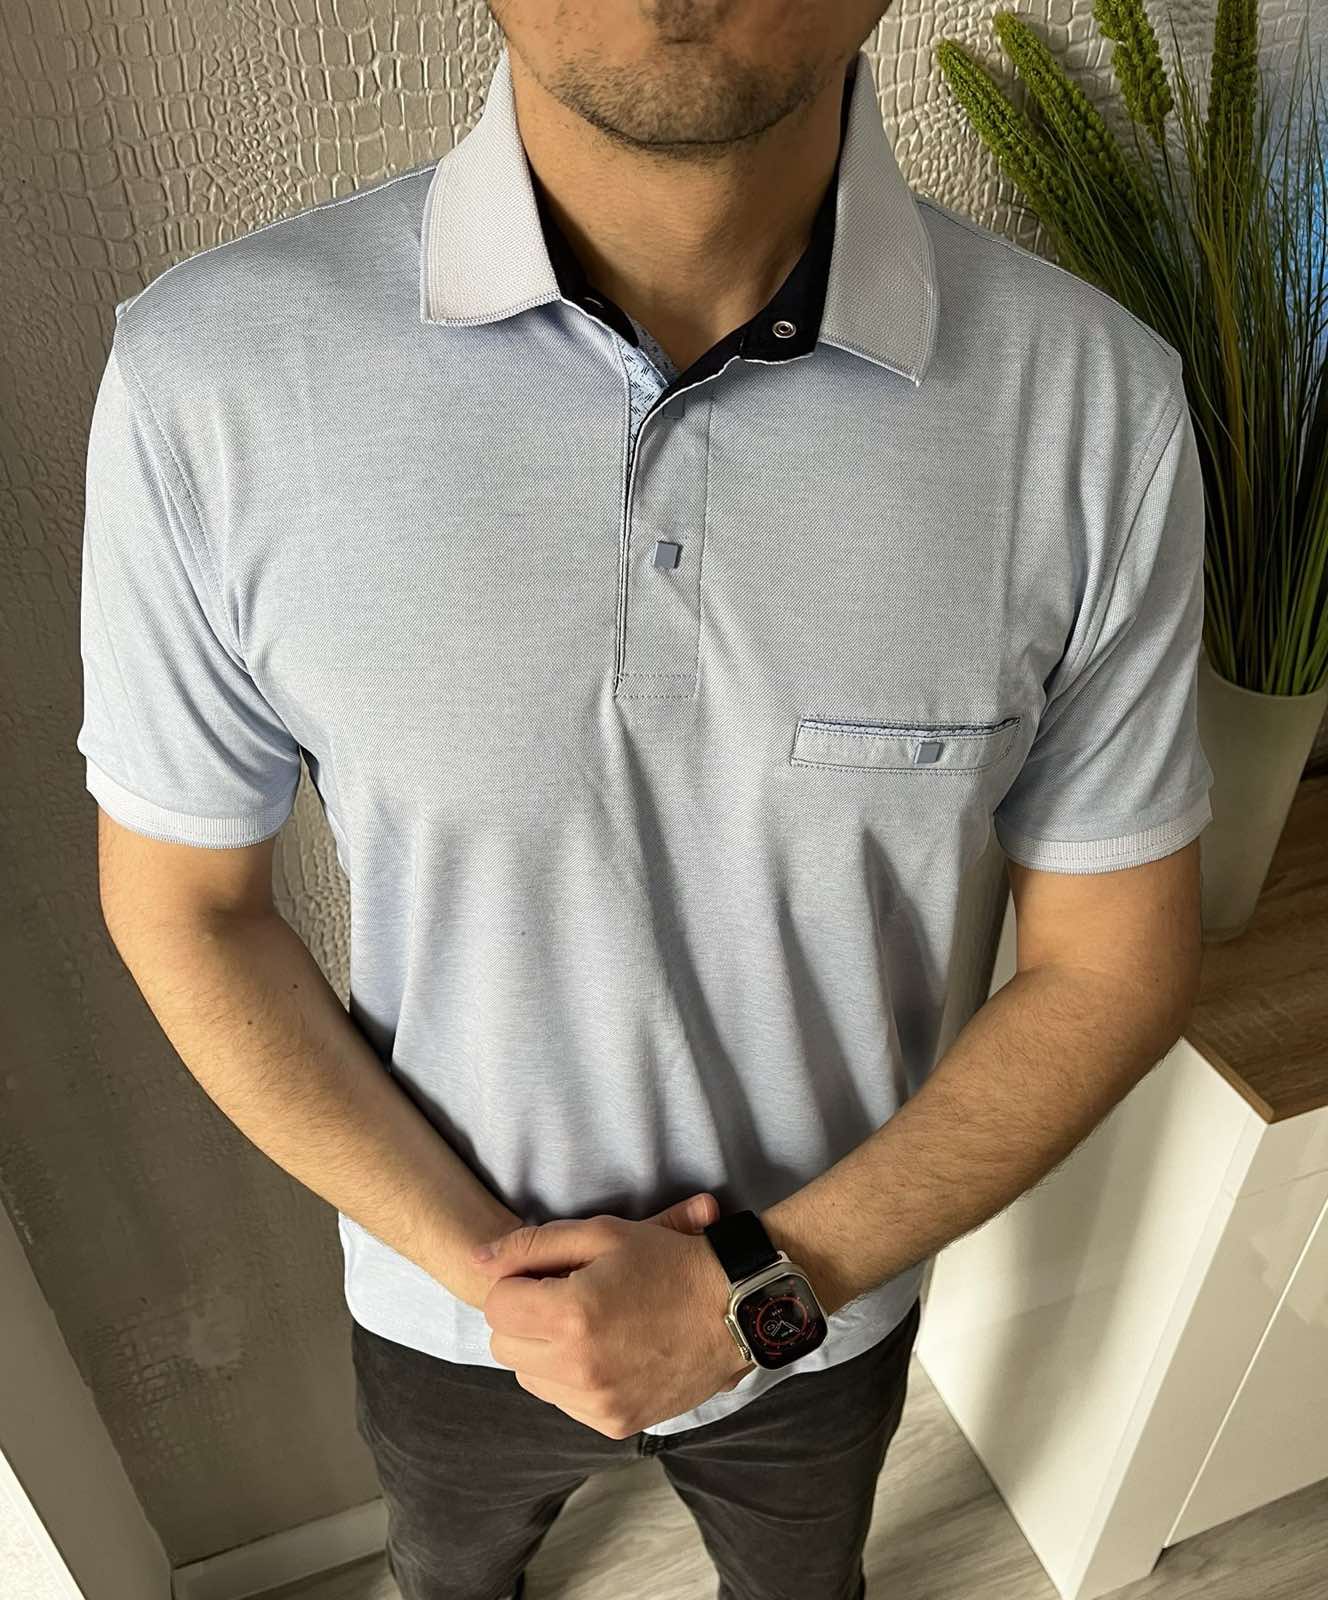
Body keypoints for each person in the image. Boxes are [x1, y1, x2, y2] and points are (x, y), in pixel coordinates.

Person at [77, 2, 1213, 1597]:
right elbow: (186, 909)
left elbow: (1115, 959)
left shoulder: (1098, 406)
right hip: (442, 1302)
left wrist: (760, 1291)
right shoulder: (205, 378)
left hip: (822, 1314)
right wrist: (498, 1281)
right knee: (447, 1573)